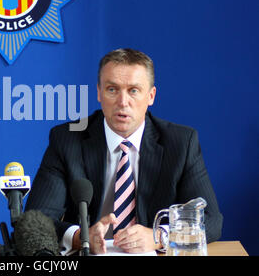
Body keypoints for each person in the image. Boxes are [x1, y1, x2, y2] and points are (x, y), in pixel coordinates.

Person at [25, 48, 223, 254]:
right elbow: (36, 219)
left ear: (151, 96)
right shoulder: (67, 139)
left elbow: (211, 219)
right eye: (112, 89)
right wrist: (80, 237)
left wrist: (159, 235)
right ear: (99, 93)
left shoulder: (181, 142)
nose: (122, 102)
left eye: (133, 90)